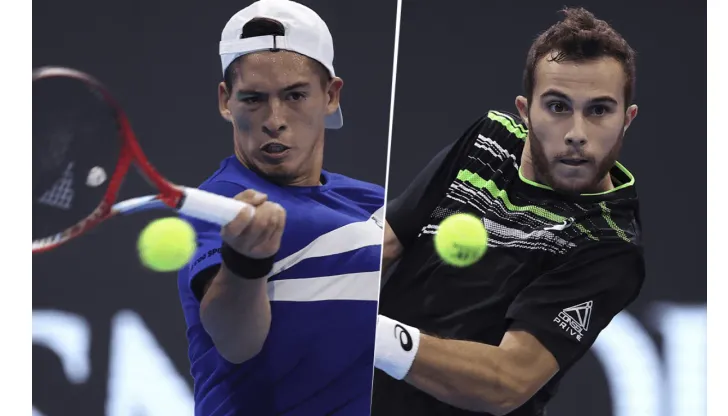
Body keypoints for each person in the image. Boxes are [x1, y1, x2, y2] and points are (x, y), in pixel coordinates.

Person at [372, 7, 645, 416]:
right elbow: (384, 241)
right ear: (524, 109)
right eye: (557, 106)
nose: (576, 133)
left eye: (599, 110)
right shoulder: (489, 139)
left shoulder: (609, 245)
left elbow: (506, 382)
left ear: (627, 119)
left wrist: (366, 332)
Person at [175, 1, 385, 415]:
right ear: (225, 101)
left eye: (294, 96)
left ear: (330, 95)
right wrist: (244, 263)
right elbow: (236, 343)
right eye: (253, 99)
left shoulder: (374, 202)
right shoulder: (220, 206)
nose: (275, 119)